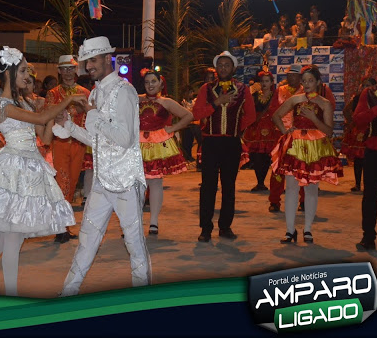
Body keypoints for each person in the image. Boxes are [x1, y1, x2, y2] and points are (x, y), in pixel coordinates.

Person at [0, 46, 83, 296]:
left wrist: (58, 121)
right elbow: (37, 120)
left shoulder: (25, 102)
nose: (28, 75)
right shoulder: (2, 104)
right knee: (12, 239)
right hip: (13, 170)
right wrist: (63, 102)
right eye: (23, 70)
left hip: (31, 167)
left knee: (7, 238)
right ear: (11, 73)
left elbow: (42, 135)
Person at [53, 36, 150, 297]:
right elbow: (96, 140)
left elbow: (125, 138)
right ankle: (68, 292)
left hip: (126, 181)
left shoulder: (125, 91)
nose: (89, 66)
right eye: (87, 61)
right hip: (101, 179)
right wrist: (71, 128)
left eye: (93, 60)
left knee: (134, 242)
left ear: (108, 59)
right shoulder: (95, 93)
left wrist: (94, 116)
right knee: (87, 238)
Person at [272, 65, 342, 244]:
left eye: (311, 81)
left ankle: (308, 229)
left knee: (311, 189)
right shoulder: (295, 100)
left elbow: (329, 130)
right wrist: (286, 132)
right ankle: (289, 230)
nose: (307, 84)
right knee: (291, 188)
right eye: (304, 81)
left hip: (316, 148)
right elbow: (276, 116)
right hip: (295, 146)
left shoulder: (324, 103)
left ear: (318, 82)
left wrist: (313, 118)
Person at [192, 51, 256, 242]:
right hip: (210, 142)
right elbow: (196, 113)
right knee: (208, 186)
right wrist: (216, 103)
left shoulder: (243, 89)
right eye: (220, 65)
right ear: (216, 68)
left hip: (231, 143)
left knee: (229, 186)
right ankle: (205, 228)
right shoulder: (206, 88)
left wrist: (236, 128)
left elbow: (250, 115)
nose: (223, 68)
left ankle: (225, 226)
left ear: (233, 68)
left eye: (227, 65)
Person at [139, 70, 193, 235]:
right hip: (137, 143)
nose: (150, 85)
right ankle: (134, 222)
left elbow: (188, 115)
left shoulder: (167, 102)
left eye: (153, 81)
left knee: (155, 182)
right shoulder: (136, 99)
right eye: (147, 82)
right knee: (137, 185)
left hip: (158, 144)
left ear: (161, 84)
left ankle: (153, 222)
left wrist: (172, 128)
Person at [45, 54, 90, 243]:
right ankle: (60, 227)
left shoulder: (85, 93)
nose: (68, 72)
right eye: (64, 69)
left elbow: (91, 115)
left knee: (72, 183)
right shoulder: (53, 93)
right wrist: (73, 111)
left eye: (71, 68)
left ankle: (64, 225)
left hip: (79, 143)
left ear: (76, 70)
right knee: (61, 182)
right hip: (60, 144)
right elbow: (49, 115)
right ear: (59, 71)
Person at [353, 51, 377, 251]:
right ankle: (368, 237)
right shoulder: (368, 93)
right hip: (374, 151)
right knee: (369, 196)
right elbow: (358, 121)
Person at [268, 65, 304, 212]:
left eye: (294, 75)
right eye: (289, 75)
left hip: (301, 136)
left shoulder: (306, 91)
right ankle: (275, 200)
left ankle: (304, 201)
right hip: (281, 134)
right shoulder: (280, 90)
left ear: (300, 78)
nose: (291, 78)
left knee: (302, 168)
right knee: (278, 168)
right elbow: (273, 111)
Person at [243, 71, 281, 192]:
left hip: (272, 127)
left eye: (266, 81)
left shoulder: (276, 95)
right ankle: (260, 183)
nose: (264, 84)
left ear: (271, 83)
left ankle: (279, 185)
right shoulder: (254, 95)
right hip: (257, 128)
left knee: (275, 157)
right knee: (258, 156)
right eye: (262, 81)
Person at [341, 77, 376, 192]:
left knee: (371, 160)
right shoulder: (357, 98)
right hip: (359, 132)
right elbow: (346, 110)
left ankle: (369, 185)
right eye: (364, 85)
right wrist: (353, 122)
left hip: (373, 131)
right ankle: (357, 184)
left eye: (369, 85)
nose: (366, 88)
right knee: (358, 159)